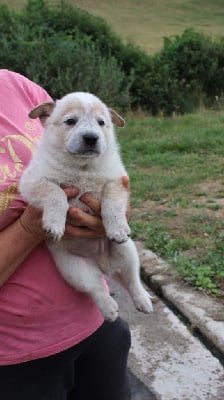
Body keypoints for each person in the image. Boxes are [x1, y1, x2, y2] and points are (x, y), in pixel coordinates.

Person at [0, 69, 131, 400]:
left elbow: (85, 158)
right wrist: (34, 223)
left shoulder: (14, 85)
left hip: (96, 321)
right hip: (17, 360)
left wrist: (109, 209)